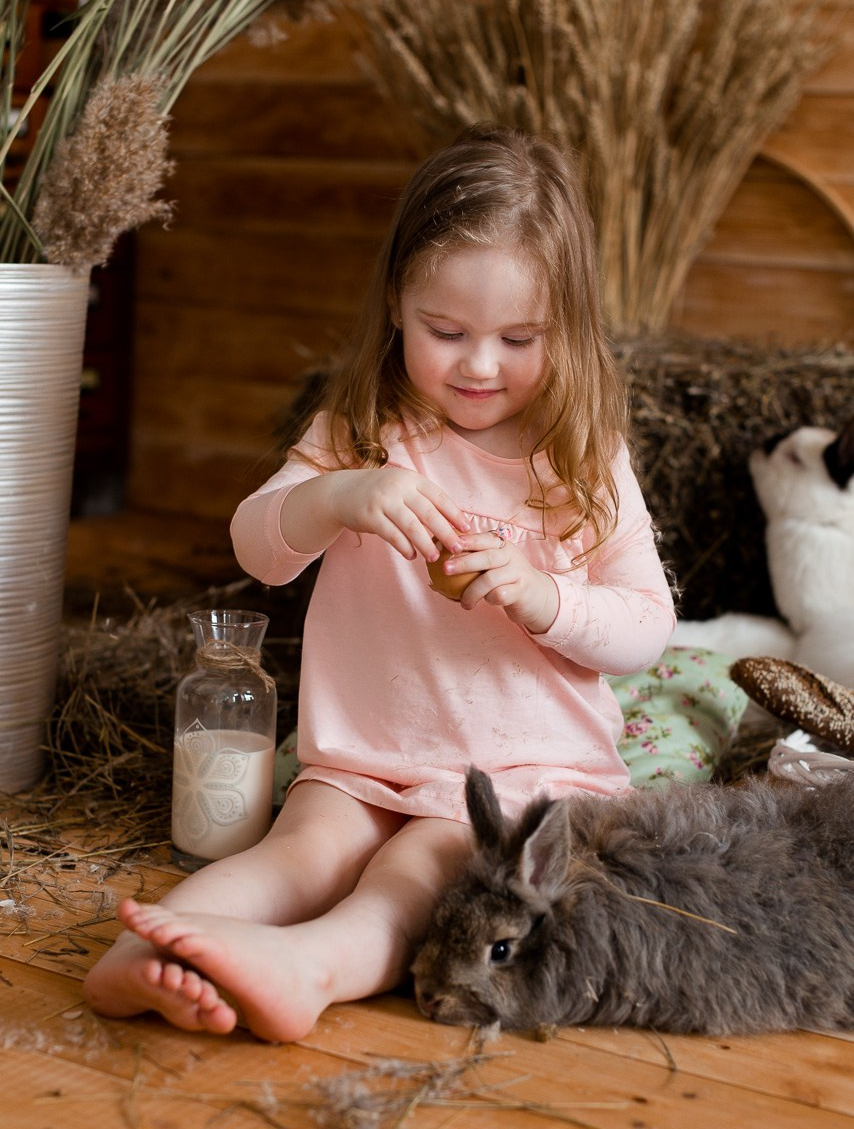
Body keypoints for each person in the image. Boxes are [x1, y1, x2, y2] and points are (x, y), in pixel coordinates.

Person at [83, 123, 675, 1042]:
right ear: (398, 303)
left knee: (416, 870)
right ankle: (154, 951)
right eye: (447, 331)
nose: (480, 364)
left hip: (511, 773)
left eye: (520, 338)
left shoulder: (583, 457)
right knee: (298, 852)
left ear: (571, 327)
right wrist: (338, 496)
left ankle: (306, 970)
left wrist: (543, 595)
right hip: (363, 756)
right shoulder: (360, 429)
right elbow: (256, 547)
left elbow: (647, 626)